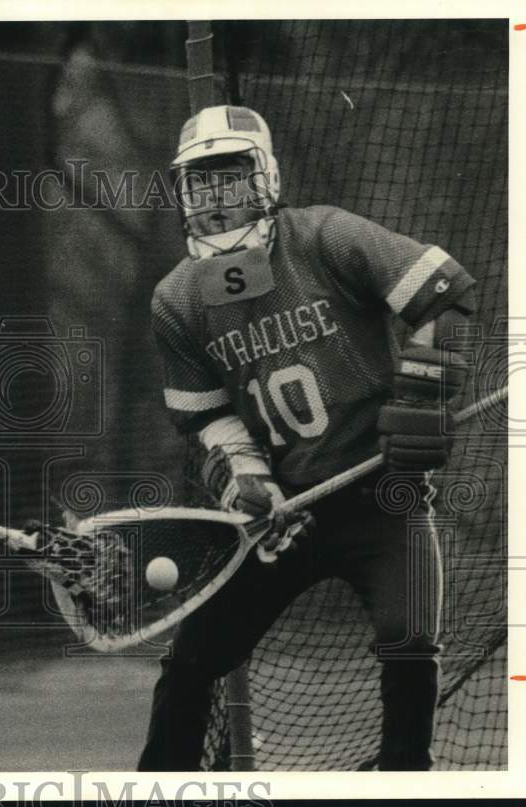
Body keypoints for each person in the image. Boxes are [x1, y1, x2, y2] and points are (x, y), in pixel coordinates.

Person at [138, 105, 475, 772]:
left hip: (384, 490)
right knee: (192, 656)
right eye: (200, 182)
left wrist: (418, 399)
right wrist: (246, 479)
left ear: (263, 176)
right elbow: (204, 418)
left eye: (229, 177)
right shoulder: (177, 299)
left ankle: (405, 780)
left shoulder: (327, 237)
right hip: (286, 512)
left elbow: (443, 288)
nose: (215, 197)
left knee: (408, 638)